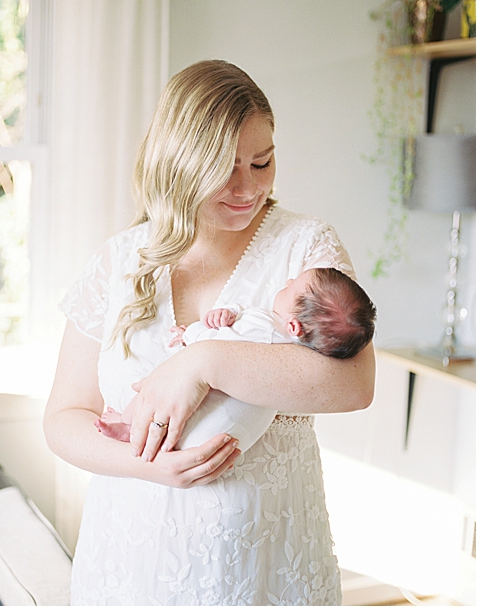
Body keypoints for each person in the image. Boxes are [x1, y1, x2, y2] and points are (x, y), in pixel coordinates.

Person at [43, 60, 375, 605]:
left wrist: (200, 364)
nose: (248, 188)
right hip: (132, 563)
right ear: (182, 163)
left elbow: (354, 386)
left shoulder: (305, 250)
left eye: (262, 161)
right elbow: (62, 419)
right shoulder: (121, 261)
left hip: (266, 567)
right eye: (226, 166)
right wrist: (150, 466)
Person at [96, 267, 377, 453]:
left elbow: (220, 343)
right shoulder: (291, 343)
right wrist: (227, 314)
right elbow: (238, 321)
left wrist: (190, 333)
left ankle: (127, 424)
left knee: (153, 388)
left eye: (290, 289)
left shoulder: (266, 328)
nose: (287, 282)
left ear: (293, 326)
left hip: (203, 396)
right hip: (225, 428)